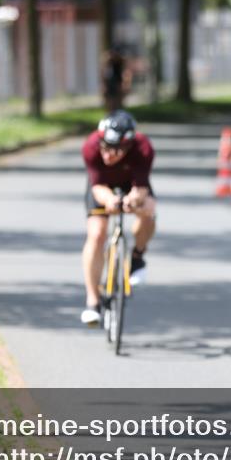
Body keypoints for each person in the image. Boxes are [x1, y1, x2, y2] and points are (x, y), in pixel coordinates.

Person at [80, 110, 157, 326]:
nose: (107, 155)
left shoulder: (143, 149)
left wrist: (134, 201)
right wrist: (110, 200)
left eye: (115, 151)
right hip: (102, 187)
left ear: (128, 146)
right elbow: (97, 188)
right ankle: (93, 301)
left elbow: (141, 189)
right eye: (105, 147)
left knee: (149, 211)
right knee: (96, 234)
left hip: (131, 184)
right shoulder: (90, 147)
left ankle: (137, 256)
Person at [101, 47, 132, 112]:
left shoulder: (121, 62)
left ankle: (118, 113)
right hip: (110, 84)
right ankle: (111, 115)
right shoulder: (108, 62)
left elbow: (126, 73)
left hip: (118, 84)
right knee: (110, 103)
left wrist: (126, 84)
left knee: (118, 104)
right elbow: (103, 74)